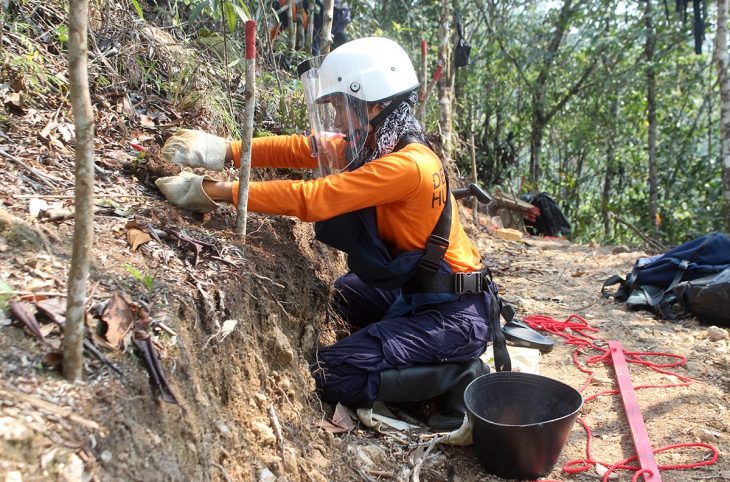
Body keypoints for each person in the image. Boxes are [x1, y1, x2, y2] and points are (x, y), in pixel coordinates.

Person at [156, 37, 500, 430]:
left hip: (455, 314)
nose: (336, 119)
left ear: (373, 104)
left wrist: (216, 192)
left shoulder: (407, 165)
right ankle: (401, 346)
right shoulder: (378, 143)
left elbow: (315, 198)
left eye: (340, 107)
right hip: (418, 292)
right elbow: (306, 150)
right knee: (342, 296)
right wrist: (225, 151)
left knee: (332, 371)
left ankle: (459, 373)